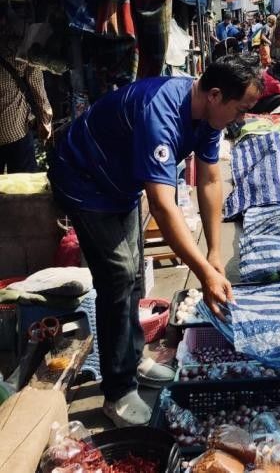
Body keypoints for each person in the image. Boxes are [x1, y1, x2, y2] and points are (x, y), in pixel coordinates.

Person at [48, 57, 263, 427]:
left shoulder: (209, 116)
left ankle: (133, 358)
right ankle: (117, 392)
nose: (240, 118)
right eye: (240, 109)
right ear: (215, 95)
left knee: (133, 276)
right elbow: (164, 207)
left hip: (120, 184)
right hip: (84, 179)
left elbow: (210, 182)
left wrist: (213, 253)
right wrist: (204, 274)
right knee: (117, 277)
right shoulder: (161, 113)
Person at [0, 43, 53, 174]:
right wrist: (46, 118)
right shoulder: (15, 48)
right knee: (24, 187)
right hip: (14, 130)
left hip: (13, 128)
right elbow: (36, 83)